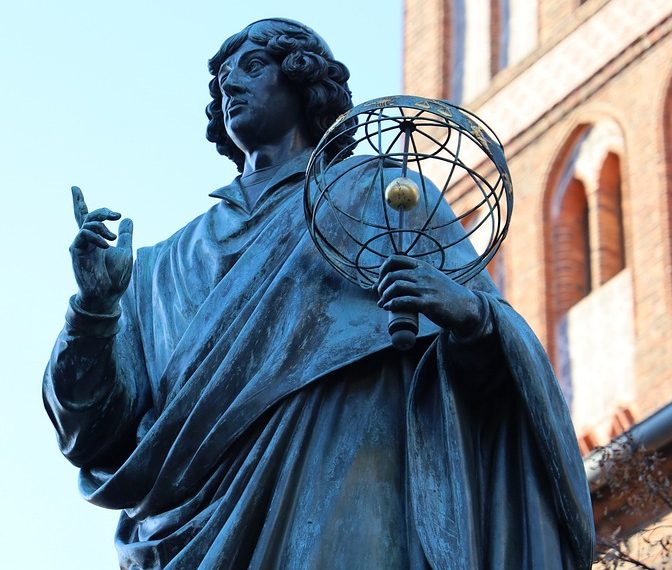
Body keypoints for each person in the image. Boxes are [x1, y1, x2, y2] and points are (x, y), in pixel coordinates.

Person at [44, 18, 594, 569]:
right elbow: (92, 436)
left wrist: (469, 317)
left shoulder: (382, 198)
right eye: (222, 79)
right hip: (183, 536)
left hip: (349, 499)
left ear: (303, 81)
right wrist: (92, 313)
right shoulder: (155, 269)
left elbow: (493, 378)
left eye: (252, 67)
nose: (230, 84)